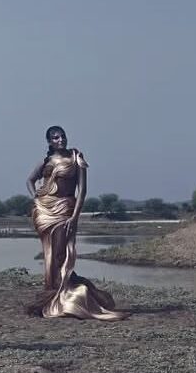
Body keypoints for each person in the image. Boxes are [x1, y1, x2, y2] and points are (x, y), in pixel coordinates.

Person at [25, 126, 127, 320]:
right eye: (56, 138)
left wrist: (75, 216)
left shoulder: (76, 157)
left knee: (60, 255)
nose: (60, 140)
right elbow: (30, 180)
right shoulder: (45, 161)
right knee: (50, 255)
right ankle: (55, 296)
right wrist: (35, 198)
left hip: (66, 209)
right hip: (45, 211)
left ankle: (73, 294)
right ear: (49, 142)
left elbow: (82, 191)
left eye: (62, 136)